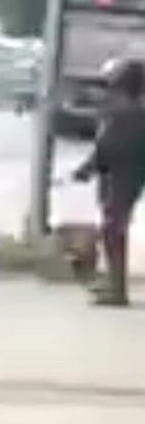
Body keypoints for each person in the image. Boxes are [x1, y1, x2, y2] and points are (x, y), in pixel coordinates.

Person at [72, 58, 145, 306]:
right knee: (114, 228)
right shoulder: (134, 112)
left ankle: (117, 288)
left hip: (120, 177)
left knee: (112, 229)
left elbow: (107, 148)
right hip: (128, 175)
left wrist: (86, 169)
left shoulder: (124, 114)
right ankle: (115, 284)